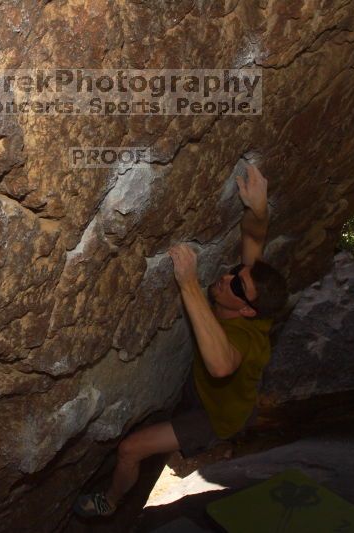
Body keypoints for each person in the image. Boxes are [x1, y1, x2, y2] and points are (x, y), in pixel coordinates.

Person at [73, 163, 289, 518]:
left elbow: (221, 366)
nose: (227, 277)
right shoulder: (250, 297)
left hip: (216, 415)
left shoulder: (247, 340)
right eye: (235, 272)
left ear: (249, 312)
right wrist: (259, 208)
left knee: (130, 449)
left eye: (237, 286)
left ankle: (109, 502)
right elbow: (253, 239)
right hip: (204, 388)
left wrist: (188, 282)